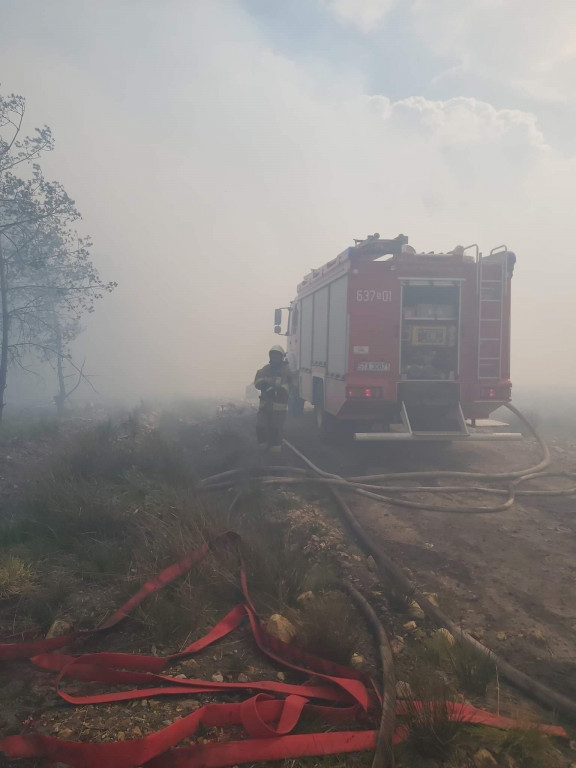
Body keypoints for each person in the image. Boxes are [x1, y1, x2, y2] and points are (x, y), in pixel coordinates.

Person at [254, 345, 293, 454]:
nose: (275, 358)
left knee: (275, 431)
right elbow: (257, 382)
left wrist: (280, 390)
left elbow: (291, 385)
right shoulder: (265, 369)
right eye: (273, 355)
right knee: (260, 427)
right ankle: (262, 450)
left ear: (281, 357)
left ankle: (275, 456)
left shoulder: (286, 370)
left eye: (277, 355)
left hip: (278, 409)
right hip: (265, 406)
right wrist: (264, 384)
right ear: (270, 356)